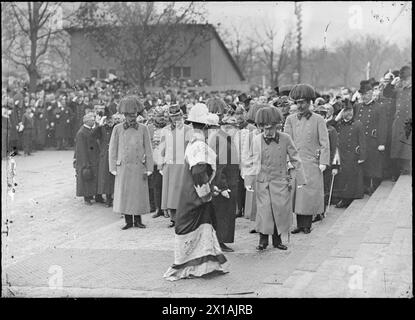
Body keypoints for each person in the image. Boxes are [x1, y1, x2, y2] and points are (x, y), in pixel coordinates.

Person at [163, 103, 227, 281]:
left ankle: (206, 265)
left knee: (203, 227)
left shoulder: (194, 143)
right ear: (206, 128)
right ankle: (191, 266)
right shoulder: (199, 146)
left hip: (192, 193)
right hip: (195, 196)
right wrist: (206, 195)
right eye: (212, 128)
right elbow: (198, 172)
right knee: (194, 226)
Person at [245, 106, 306, 251]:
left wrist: (301, 179)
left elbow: (295, 158)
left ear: (276, 126)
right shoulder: (256, 140)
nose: (267, 132)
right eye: (264, 129)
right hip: (263, 181)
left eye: (270, 128)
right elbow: (251, 160)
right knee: (264, 211)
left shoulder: (285, 138)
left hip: (280, 181)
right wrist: (248, 180)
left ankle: (277, 241)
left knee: (279, 211)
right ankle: (263, 240)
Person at [284, 84, 330, 235]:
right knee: (297, 194)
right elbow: (286, 141)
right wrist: (287, 159)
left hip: (311, 162)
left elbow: (325, 142)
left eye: (303, 102)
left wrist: (323, 161)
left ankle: (307, 225)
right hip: (295, 162)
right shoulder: (290, 119)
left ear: (310, 102)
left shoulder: (318, 120)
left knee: (308, 194)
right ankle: (299, 224)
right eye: (297, 102)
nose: (300, 105)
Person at [109, 95, 154, 230]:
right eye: (129, 115)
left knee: (138, 194)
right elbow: (112, 149)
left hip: (138, 166)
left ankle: (138, 220)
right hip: (123, 167)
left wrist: (149, 167)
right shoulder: (117, 128)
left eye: (134, 115)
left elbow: (149, 149)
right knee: (126, 194)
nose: (132, 118)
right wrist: (112, 167)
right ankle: (128, 221)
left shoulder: (143, 128)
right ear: (124, 115)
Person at [208, 113, 240, 252]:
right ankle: (220, 241)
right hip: (224, 183)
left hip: (229, 180)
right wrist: (223, 186)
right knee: (223, 213)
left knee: (224, 212)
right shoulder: (221, 139)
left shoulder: (224, 138)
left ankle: (220, 240)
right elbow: (219, 165)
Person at [160, 104, 191, 227]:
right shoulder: (165, 130)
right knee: (170, 193)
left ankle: (184, 218)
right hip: (170, 165)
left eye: (177, 116)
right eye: (173, 116)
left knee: (182, 192)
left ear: (182, 115)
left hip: (183, 165)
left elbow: (191, 148)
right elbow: (162, 149)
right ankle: (173, 218)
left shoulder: (188, 129)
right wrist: (161, 165)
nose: (175, 118)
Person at [354, 80, 387, 195]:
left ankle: (373, 186)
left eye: (366, 94)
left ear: (372, 93)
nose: (364, 96)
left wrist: (382, 142)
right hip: (360, 140)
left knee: (373, 164)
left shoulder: (379, 107)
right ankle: (363, 186)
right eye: (362, 94)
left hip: (372, 141)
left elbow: (383, 126)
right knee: (361, 164)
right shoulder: (357, 106)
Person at [333, 104, 366, 208]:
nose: (349, 113)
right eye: (346, 111)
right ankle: (343, 197)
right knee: (342, 177)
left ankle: (348, 198)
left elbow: (362, 141)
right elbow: (328, 126)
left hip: (353, 154)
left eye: (350, 111)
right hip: (341, 154)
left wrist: (362, 156)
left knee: (351, 176)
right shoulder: (339, 124)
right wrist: (337, 118)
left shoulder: (358, 124)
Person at [313, 104, 338, 221]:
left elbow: (334, 148)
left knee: (323, 188)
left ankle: (320, 211)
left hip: (326, 164)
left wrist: (334, 165)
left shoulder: (331, 130)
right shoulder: (312, 129)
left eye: (322, 115)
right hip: (313, 163)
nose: (320, 117)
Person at [93, 109, 120, 207]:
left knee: (115, 177)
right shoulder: (102, 128)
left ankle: (115, 198)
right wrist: (100, 124)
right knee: (106, 178)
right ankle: (108, 199)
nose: (109, 121)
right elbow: (93, 135)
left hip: (115, 155)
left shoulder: (116, 128)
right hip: (105, 156)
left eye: (111, 119)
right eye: (108, 120)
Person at [389, 66, 412, 178]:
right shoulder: (399, 90)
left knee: (407, 148)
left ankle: (407, 169)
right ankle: (398, 171)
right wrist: (392, 83)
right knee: (398, 148)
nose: (404, 82)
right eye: (403, 80)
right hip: (399, 123)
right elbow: (387, 94)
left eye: (407, 79)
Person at [74, 113, 100, 205]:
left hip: (93, 158)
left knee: (92, 178)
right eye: (92, 120)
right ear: (87, 121)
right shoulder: (81, 132)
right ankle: (87, 198)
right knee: (86, 179)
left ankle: (94, 196)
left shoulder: (88, 130)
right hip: (86, 160)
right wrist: (85, 163)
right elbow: (81, 150)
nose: (94, 121)